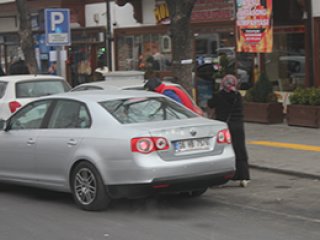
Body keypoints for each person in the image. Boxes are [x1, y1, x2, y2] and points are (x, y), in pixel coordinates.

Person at [207, 74, 250, 187]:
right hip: (238, 126)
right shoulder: (238, 95)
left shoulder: (218, 95)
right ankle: (243, 176)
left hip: (223, 127)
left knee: (222, 150)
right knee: (240, 149)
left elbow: (210, 104)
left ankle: (222, 177)